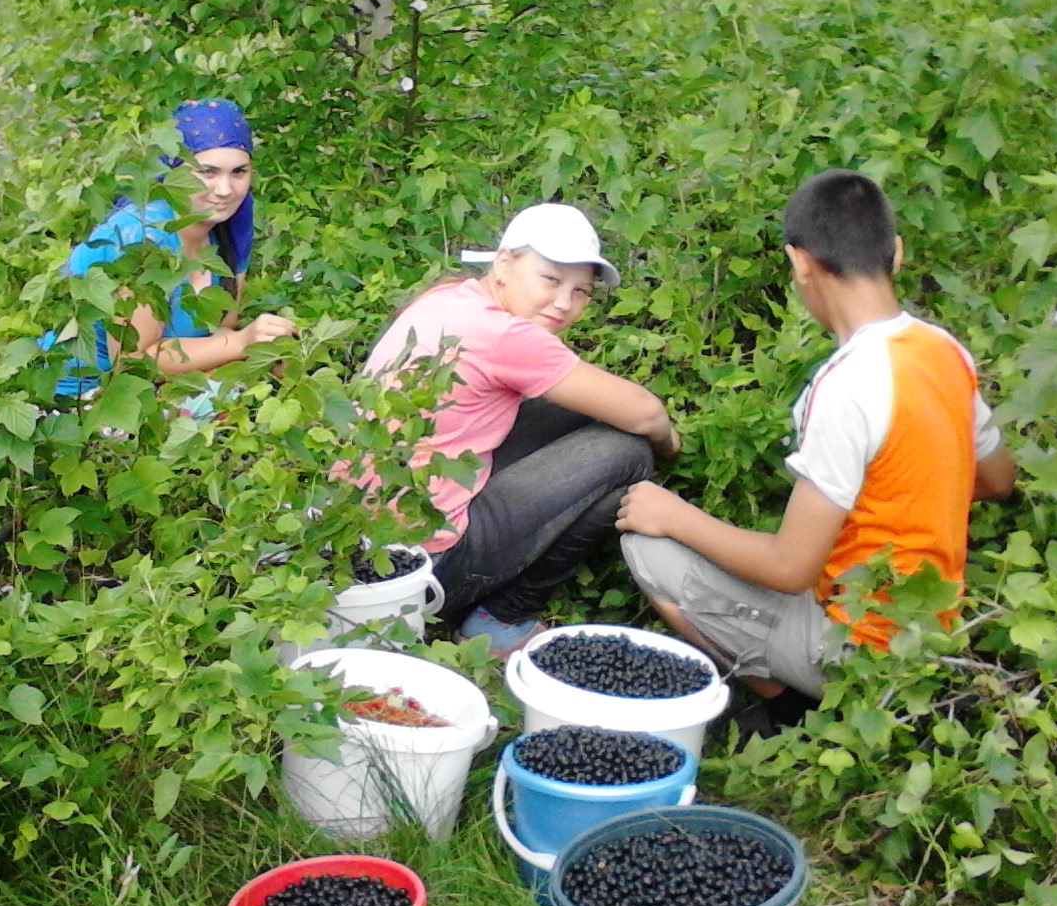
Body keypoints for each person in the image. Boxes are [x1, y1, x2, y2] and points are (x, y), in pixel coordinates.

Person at [617, 169, 1018, 715]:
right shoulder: (942, 349)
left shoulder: (845, 385)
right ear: (895, 254)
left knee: (648, 548)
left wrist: (673, 514)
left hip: (861, 648)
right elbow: (999, 480)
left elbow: (790, 569)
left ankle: (783, 710)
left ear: (800, 261)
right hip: (933, 629)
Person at [356, 204, 679, 655]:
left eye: (581, 290)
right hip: (426, 568)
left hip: (363, 534)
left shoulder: (448, 295)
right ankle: (501, 618)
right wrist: (670, 446)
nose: (564, 303)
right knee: (629, 451)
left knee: (584, 408)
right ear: (504, 263)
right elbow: (645, 413)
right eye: (550, 279)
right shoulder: (506, 335)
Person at [49, 98, 296, 399]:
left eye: (238, 172)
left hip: (161, 385)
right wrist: (243, 343)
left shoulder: (232, 226)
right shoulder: (144, 236)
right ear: (175, 171)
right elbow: (130, 362)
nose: (225, 190)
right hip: (87, 395)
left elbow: (218, 331)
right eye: (208, 172)